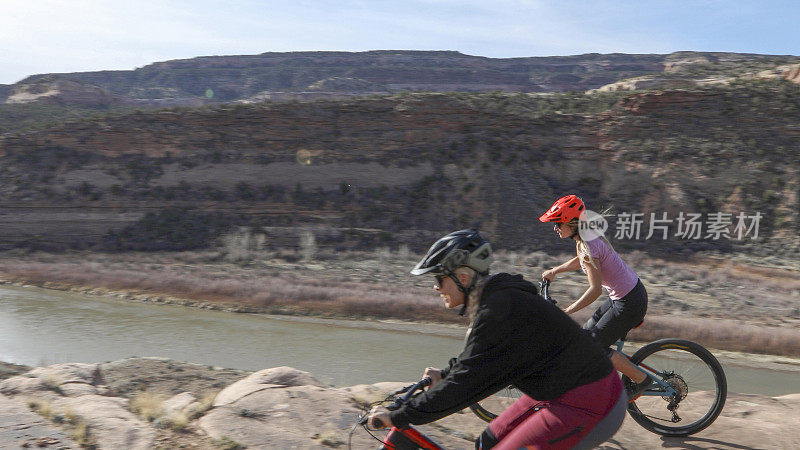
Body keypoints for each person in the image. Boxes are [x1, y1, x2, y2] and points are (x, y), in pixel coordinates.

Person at [367, 229, 626, 449]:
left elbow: (464, 384)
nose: (436, 287)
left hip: (593, 402)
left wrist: (400, 416)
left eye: (438, 278)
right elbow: (481, 357)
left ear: (463, 278)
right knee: (486, 443)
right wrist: (445, 374)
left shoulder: (499, 309)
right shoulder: (498, 300)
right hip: (558, 392)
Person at [539, 194, 651, 401]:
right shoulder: (586, 238)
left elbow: (595, 290)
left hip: (629, 303)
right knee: (584, 340)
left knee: (595, 349)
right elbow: (581, 260)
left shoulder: (587, 245)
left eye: (557, 223)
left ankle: (642, 380)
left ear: (571, 223)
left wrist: (567, 311)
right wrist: (556, 270)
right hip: (626, 296)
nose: (555, 228)